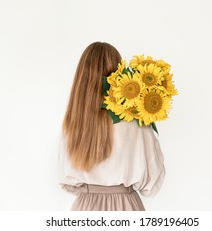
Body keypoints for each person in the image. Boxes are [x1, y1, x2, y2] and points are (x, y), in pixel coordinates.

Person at [58, 41, 165, 211]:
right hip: (126, 206)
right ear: (119, 73)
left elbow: (66, 180)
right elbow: (152, 183)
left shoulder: (73, 123)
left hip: (85, 208)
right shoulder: (136, 120)